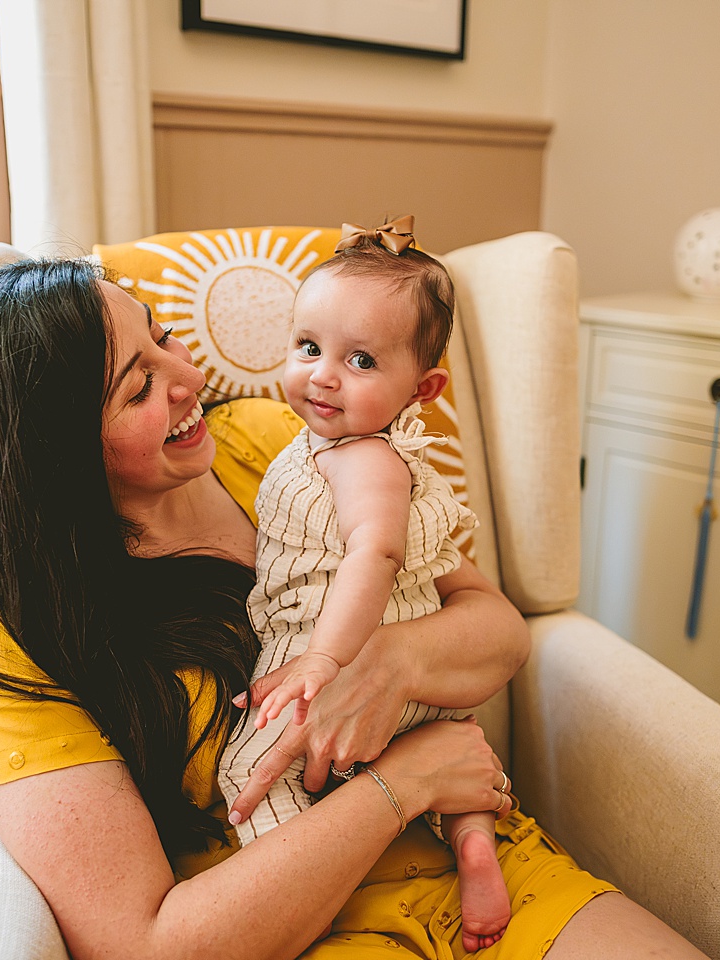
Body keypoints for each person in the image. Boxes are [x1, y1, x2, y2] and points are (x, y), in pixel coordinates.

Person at [0, 247, 712, 959]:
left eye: (165, 336)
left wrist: (391, 662)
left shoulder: (276, 443)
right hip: (289, 924)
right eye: (140, 385)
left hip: (466, 863)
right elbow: (147, 944)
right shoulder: (12, 618)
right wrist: (405, 779)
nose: (190, 382)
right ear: (55, 451)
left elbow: (498, 630)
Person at [218, 218, 509, 951]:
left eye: (361, 360)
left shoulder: (365, 459)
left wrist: (323, 659)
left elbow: (375, 555)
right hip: (417, 699)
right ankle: (472, 838)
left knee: (250, 770)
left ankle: (303, 884)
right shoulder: (320, 441)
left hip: (342, 656)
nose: (322, 374)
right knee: (448, 734)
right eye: (310, 348)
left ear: (424, 387)